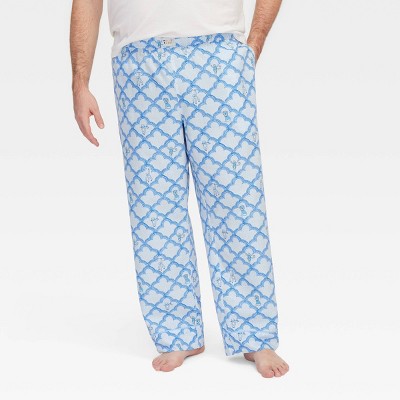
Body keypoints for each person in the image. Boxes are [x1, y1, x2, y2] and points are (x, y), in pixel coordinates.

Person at [70, 0, 289, 378]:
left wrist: (252, 45)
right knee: (153, 208)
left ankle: (255, 334)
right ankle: (177, 332)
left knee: (237, 201)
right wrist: (80, 82)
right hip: (139, 66)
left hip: (217, 56)